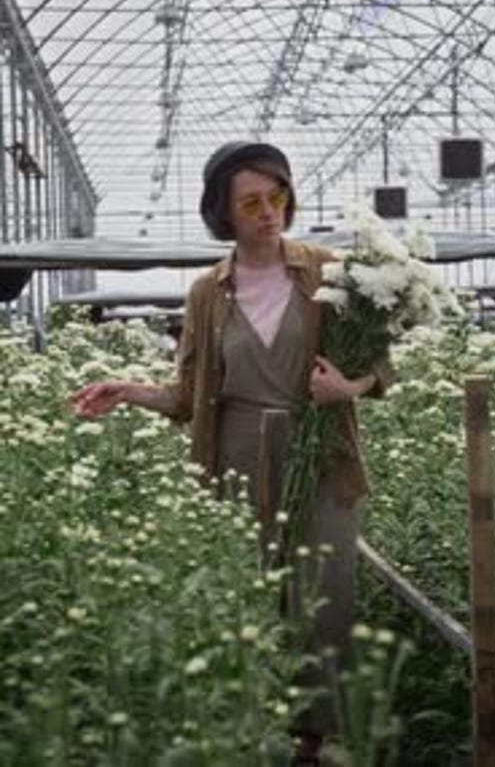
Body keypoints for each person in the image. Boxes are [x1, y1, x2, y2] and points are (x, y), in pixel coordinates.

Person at [72, 141, 392, 766]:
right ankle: (251, 721)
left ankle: (315, 741)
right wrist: (126, 390)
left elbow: (381, 360)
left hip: (320, 453)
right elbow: (189, 397)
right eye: (251, 202)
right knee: (249, 594)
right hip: (238, 456)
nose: (269, 212)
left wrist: (347, 388)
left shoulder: (328, 270)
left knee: (324, 596)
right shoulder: (205, 292)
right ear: (223, 210)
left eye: (278, 197)